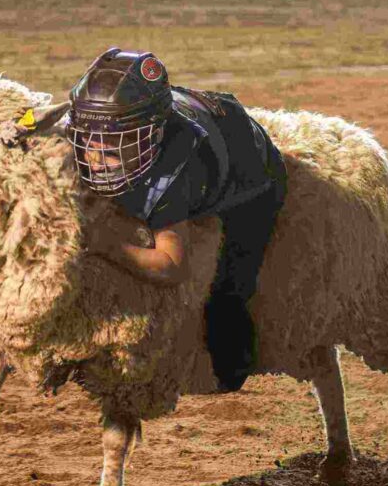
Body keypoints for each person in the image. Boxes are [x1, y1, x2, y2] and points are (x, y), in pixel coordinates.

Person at [64, 48, 287, 394]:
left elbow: (171, 264)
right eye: (90, 139)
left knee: (229, 284)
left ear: (151, 136)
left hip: (252, 173)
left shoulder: (176, 172)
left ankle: (230, 369)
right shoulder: (100, 125)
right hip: (200, 112)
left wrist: (106, 244)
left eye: (111, 147)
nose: (94, 157)